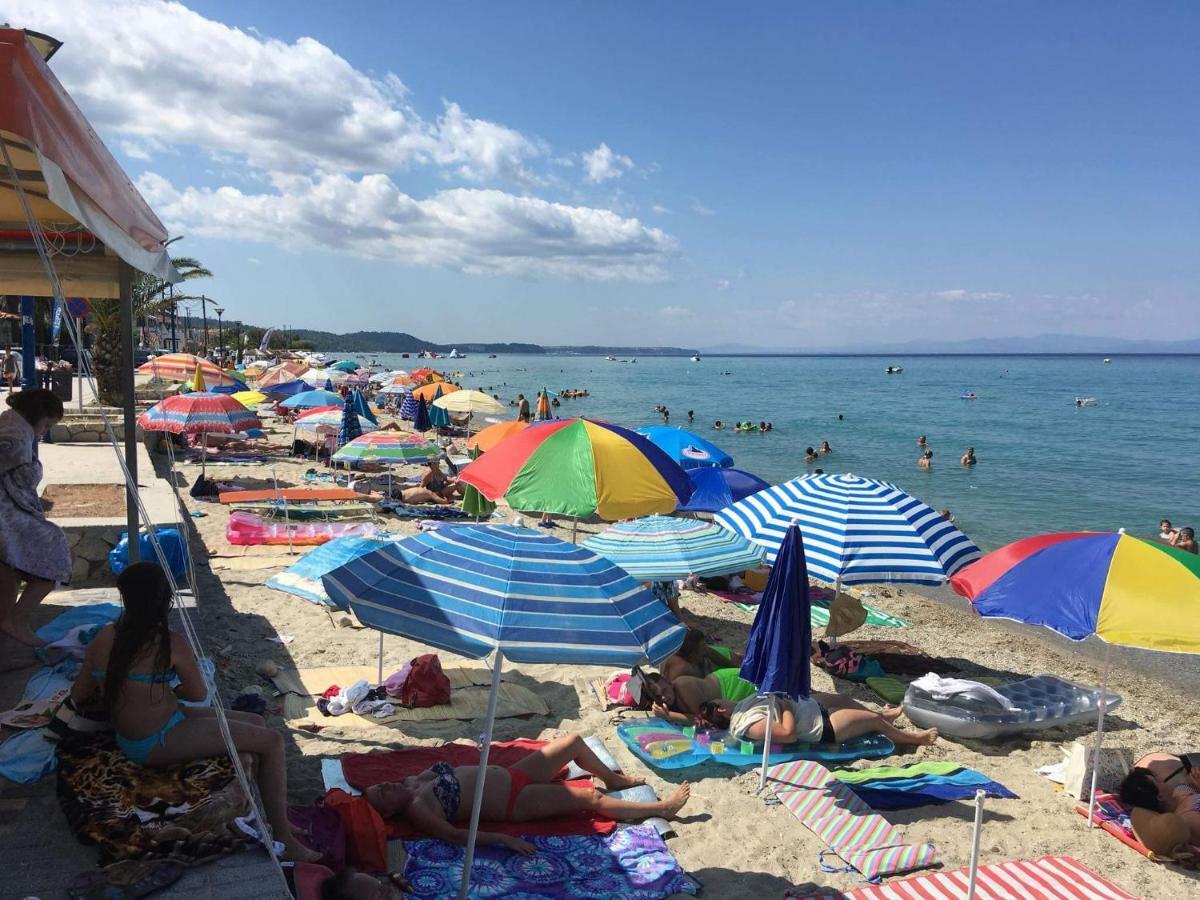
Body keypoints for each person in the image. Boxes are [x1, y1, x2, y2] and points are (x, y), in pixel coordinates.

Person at [70, 562, 318, 861]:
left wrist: (139, 692)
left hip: (150, 728)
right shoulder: (169, 642)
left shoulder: (103, 637)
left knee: (255, 721)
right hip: (157, 740)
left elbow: (79, 694)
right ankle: (282, 834)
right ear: (166, 600)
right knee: (272, 742)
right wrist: (168, 690)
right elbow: (198, 694)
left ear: (125, 597)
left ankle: (280, 816)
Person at [362, 734, 690, 853]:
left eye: (381, 785)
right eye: (383, 794)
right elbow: (455, 835)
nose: (386, 786)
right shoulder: (419, 810)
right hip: (513, 803)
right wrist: (503, 839)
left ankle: (614, 779)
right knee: (590, 799)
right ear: (390, 813)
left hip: (513, 774)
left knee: (574, 742)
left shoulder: (410, 783)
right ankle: (662, 808)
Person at [0, 389, 70, 649]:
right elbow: (21, 476)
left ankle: (12, 622)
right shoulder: (14, 436)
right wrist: (35, 469)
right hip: (8, 515)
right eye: (47, 425)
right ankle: (15, 620)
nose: (44, 432)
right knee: (56, 553)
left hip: (10, 511)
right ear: (38, 416)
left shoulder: (11, 424)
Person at [704, 693, 938, 748]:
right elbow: (788, 735)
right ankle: (914, 739)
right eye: (721, 699)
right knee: (871, 721)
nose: (726, 697)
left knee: (846, 698)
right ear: (722, 708)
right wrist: (785, 706)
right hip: (821, 726)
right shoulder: (747, 723)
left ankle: (886, 715)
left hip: (812, 707)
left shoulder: (743, 707)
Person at [1118, 753, 1200, 851]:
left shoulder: (1180, 791)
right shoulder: (1188, 818)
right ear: (1160, 796)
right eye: (1158, 781)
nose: (1162, 780)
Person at [660, 628, 744, 682]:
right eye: (702, 647)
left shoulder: (694, 652)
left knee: (738, 658)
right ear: (693, 651)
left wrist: (736, 667)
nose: (705, 649)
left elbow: (710, 652)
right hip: (707, 671)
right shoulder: (684, 668)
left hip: (710, 663)